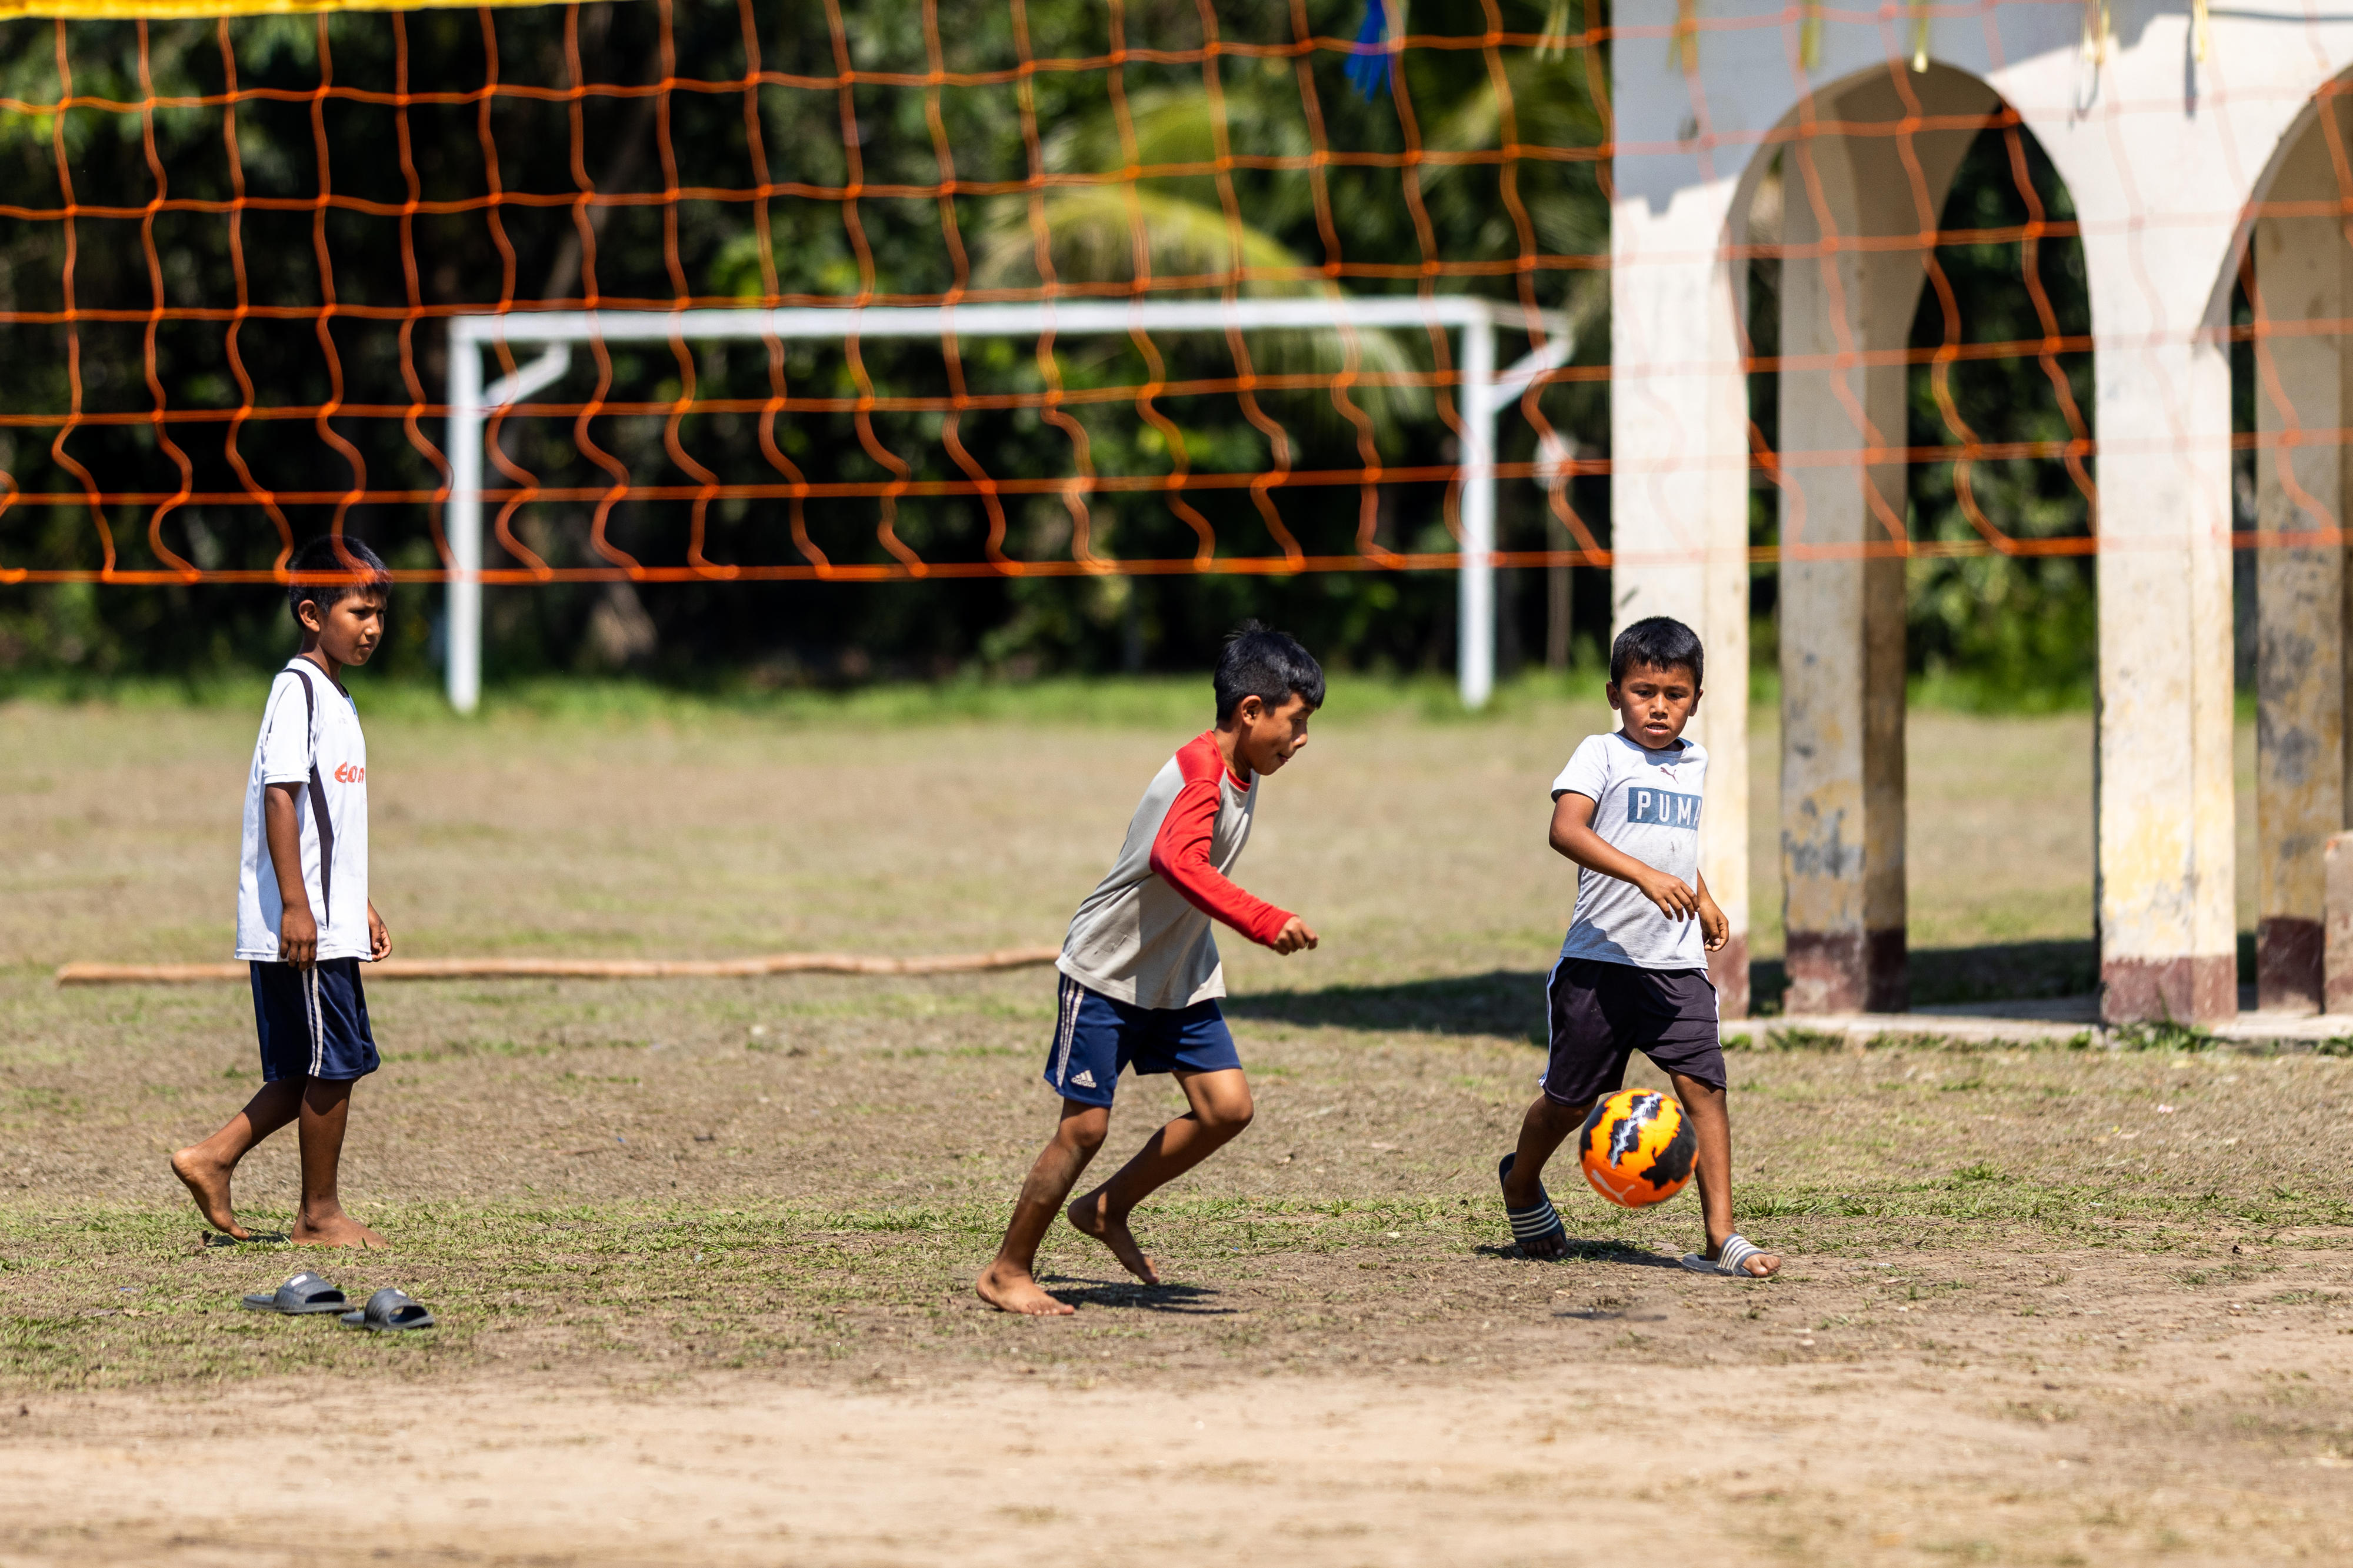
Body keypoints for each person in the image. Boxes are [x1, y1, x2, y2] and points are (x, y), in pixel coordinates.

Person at [976, 623, 1324, 1315]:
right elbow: (1177, 860)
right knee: (1084, 1128)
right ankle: (1007, 1270)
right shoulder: (1200, 773)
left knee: (1226, 1108)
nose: (1303, 737)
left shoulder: (1244, 766)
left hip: (1177, 972)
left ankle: (1107, 1206)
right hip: (1109, 969)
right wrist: (1261, 919)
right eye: (1298, 719)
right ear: (1251, 710)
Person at [1497, 615, 1780, 1279]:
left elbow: (1673, 848)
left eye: (1674, 694)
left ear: (1697, 699)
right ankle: (1520, 1179)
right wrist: (1645, 877)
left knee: (1704, 1087)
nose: (1658, 706)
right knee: (1569, 1102)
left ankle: (1720, 1238)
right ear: (1613, 693)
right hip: (1600, 964)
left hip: (1675, 962)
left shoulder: (1696, 761)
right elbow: (1566, 830)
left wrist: (1701, 895)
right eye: (1642, 691)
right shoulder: (1600, 754)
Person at [171, 536, 394, 1248]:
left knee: (308, 1066)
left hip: (326, 914)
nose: (373, 627)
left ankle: (212, 1157)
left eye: (380, 613)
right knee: (338, 1063)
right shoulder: (296, 689)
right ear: (311, 612)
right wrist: (300, 906)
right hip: (304, 923)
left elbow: (330, 821)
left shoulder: (334, 695)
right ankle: (318, 1215)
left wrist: (354, 898)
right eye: (359, 611)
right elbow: (281, 798)